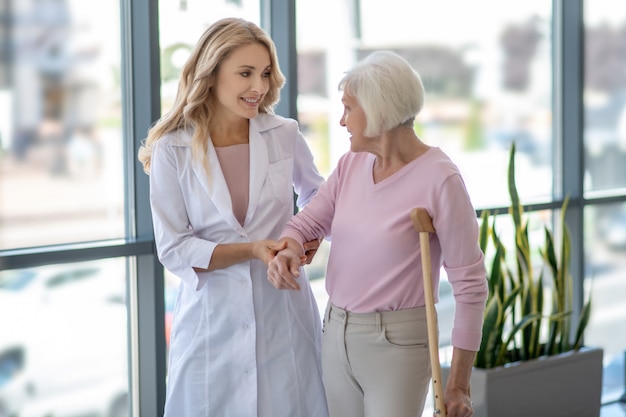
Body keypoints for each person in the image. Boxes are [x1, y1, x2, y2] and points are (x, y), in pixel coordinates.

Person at [267, 50, 489, 417]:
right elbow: (307, 222)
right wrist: (289, 248)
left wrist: (459, 386)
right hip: (336, 331)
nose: (341, 121)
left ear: (378, 110)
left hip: (398, 343)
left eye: (348, 108)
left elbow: (470, 287)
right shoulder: (351, 164)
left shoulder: (441, 179)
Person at [138, 17, 329, 417]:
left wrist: (301, 241)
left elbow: (318, 196)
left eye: (264, 73)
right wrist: (252, 250)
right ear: (211, 74)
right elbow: (173, 247)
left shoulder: (283, 132)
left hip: (283, 310)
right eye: (245, 73)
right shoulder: (173, 149)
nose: (258, 87)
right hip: (212, 318)